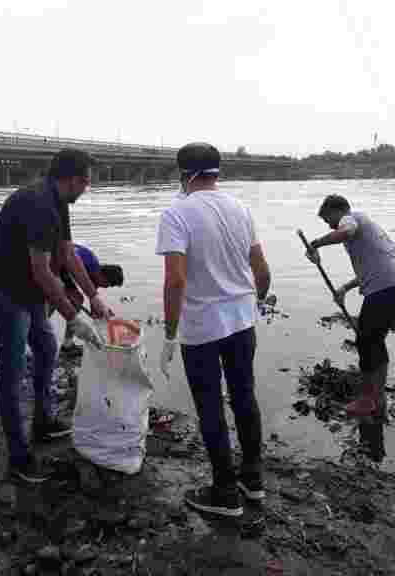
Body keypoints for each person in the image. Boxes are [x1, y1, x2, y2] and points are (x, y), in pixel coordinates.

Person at [156, 142, 271, 518]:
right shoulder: (241, 208)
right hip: (241, 321)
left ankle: (224, 491)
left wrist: (170, 334)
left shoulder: (176, 213)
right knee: (244, 397)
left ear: (183, 174)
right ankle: (252, 481)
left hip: (201, 327)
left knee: (209, 406)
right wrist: (255, 303)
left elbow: (175, 281)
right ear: (216, 172)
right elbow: (262, 270)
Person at [0, 148, 106, 484]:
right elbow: (41, 270)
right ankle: (19, 457)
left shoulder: (59, 202)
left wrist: (94, 297)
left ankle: (43, 421)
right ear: (73, 179)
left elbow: (66, 254)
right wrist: (73, 315)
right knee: (13, 369)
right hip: (7, 291)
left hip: (29, 290)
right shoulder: (37, 203)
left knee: (47, 348)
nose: (86, 189)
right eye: (86, 183)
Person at [306, 194, 395, 418]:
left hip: (386, 287)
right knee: (373, 340)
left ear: (338, 210)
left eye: (328, 219)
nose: (329, 225)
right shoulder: (363, 227)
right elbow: (370, 269)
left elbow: (345, 231)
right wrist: (344, 288)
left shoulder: (351, 218)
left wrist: (317, 243)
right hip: (394, 284)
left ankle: (367, 399)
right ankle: (377, 397)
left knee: (365, 340)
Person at [60, 244, 124, 353]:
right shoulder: (90, 260)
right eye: (108, 284)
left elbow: (94, 303)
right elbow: (67, 257)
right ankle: (66, 344)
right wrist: (64, 291)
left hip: (64, 267)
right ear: (102, 276)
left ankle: (67, 344)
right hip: (58, 261)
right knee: (76, 300)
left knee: (76, 300)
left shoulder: (95, 277)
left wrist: (105, 317)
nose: (106, 287)